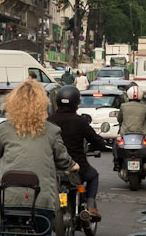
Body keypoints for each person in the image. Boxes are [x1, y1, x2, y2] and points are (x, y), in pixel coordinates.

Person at [0, 80, 76, 233]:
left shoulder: (4, 129)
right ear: (42, 104)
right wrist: (73, 165)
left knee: (6, 229)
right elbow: (62, 159)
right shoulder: (52, 131)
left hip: (7, 197)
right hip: (41, 199)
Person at [47, 86, 102, 223]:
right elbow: (96, 141)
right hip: (77, 167)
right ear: (76, 103)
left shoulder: (49, 121)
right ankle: (90, 206)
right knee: (93, 176)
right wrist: (96, 147)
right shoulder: (80, 121)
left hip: (52, 167)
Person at [115, 85, 146, 171]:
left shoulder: (123, 106)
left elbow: (119, 119)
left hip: (125, 133)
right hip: (141, 133)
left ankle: (116, 162)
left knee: (116, 143)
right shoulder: (145, 107)